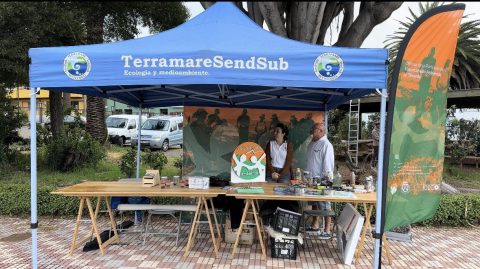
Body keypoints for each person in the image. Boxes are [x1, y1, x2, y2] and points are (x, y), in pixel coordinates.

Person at [306, 123, 335, 239]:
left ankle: (327, 230)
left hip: (322, 181)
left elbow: (328, 166)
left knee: (324, 204)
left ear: (321, 131)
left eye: (314, 129)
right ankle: (315, 225)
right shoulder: (312, 143)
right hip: (311, 180)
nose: (312, 131)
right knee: (315, 203)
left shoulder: (326, 145)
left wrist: (326, 182)